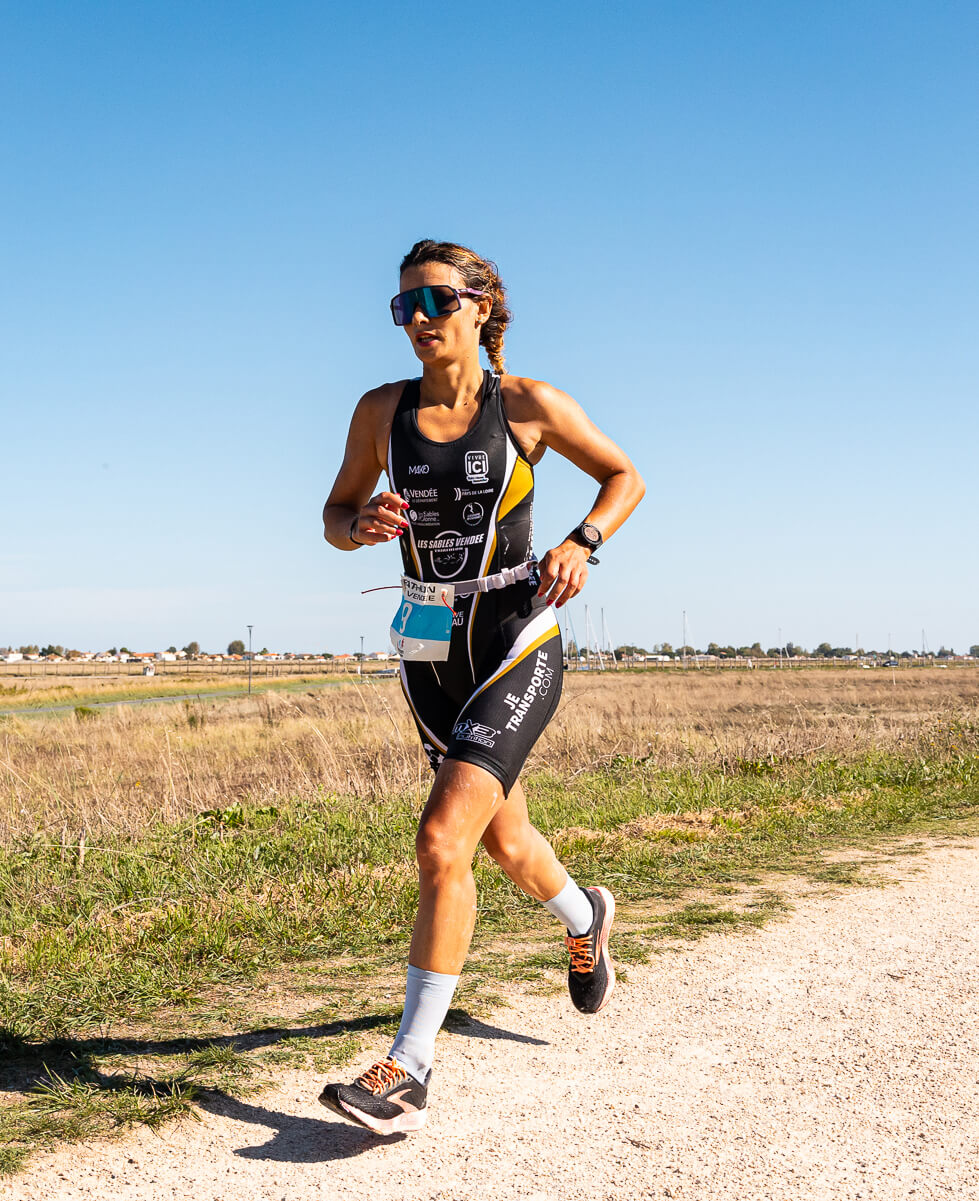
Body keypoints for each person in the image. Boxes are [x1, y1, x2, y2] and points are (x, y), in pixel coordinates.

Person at [319, 239, 644, 1134]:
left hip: (515, 633)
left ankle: (408, 1066)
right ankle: (586, 915)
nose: (418, 319)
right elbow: (333, 514)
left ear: (478, 304)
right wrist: (360, 526)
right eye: (402, 307)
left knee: (439, 839)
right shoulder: (378, 413)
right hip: (427, 646)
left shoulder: (527, 405)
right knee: (504, 840)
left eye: (433, 300)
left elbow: (626, 476)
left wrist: (582, 541)